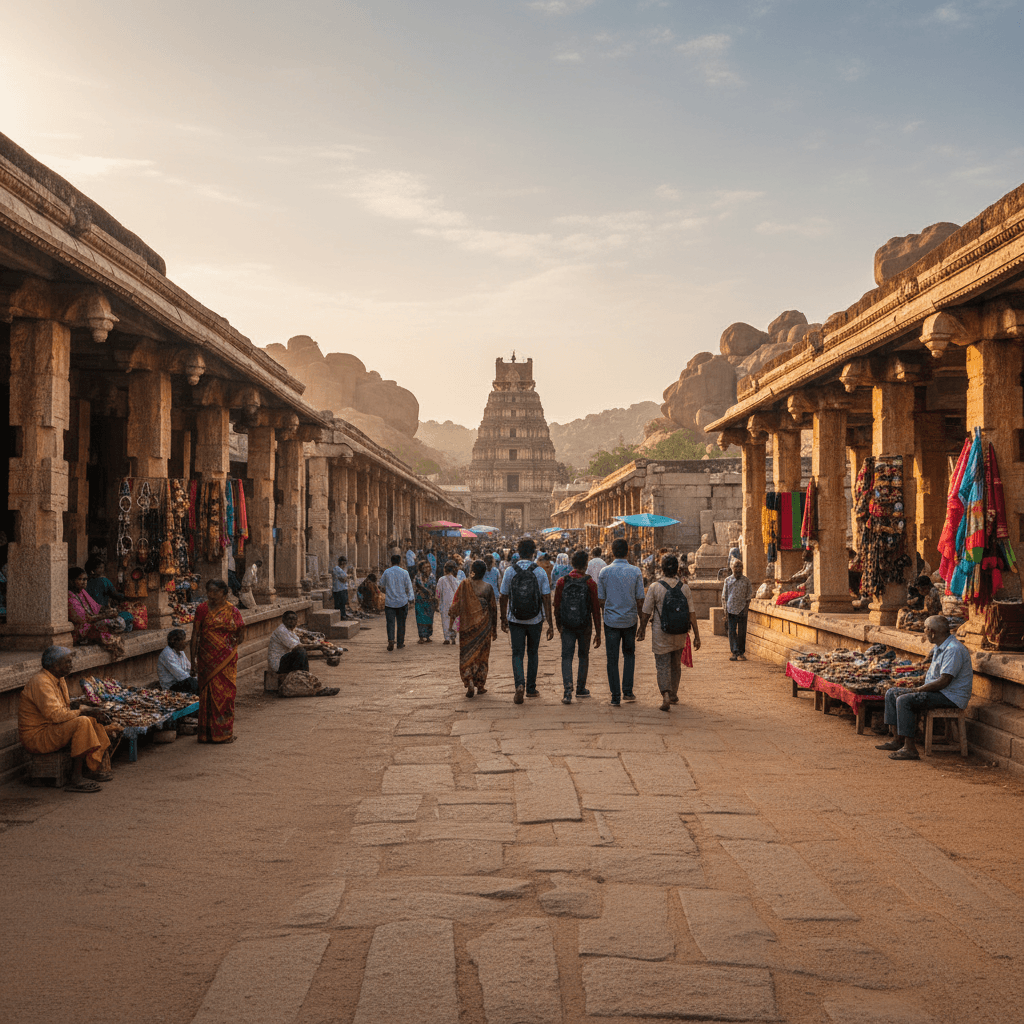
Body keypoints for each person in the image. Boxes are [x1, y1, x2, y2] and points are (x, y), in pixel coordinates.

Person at [877, 615, 973, 761]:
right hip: (940, 691)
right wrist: (918, 685)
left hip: (949, 696)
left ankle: (910, 749)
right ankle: (898, 740)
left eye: (925, 630)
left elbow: (944, 681)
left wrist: (919, 690)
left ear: (933, 632)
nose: (924, 632)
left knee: (905, 700)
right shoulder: (940, 647)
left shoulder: (953, 650)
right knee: (892, 692)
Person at [18, 646, 113, 793]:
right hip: (37, 736)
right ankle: (76, 777)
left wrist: (92, 709)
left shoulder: (59, 678)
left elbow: (65, 707)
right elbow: (56, 715)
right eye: (67, 662)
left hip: (52, 728)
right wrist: (84, 711)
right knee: (83, 721)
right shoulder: (41, 682)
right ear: (55, 665)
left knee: (93, 719)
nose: (71, 665)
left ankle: (92, 767)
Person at [638, 554, 701, 711]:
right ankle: (673, 694)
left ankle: (665, 693)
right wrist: (697, 636)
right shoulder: (684, 588)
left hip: (661, 633)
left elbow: (646, 611)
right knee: (675, 664)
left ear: (662, 569)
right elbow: (692, 613)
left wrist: (642, 628)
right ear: (677, 569)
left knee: (662, 664)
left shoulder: (655, 587)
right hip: (680, 633)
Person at [190, 579, 245, 744]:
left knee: (225, 696)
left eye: (216, 592)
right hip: (206, 659)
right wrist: (192, 660)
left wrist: (228, 646)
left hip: (226, 660)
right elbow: (195, 635)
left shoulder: (233, 611)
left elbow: (241, 633)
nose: (212, 595)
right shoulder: (202, 609)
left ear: (225, 593)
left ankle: (224, 733)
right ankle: (206, 734)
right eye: (209, 591)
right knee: (207, 696)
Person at [499, 537, 554, 704]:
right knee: (533, 652)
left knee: (517, 653)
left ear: (518, 551)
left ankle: (519, 685)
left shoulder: (510, 571)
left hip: (515, 618)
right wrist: (550, 622)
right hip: (535, 618)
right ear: (533, 553)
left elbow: (503, 597)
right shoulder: (539, 571)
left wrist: (503, 618)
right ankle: (531, 688)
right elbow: (546, 597)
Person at [597, 539, 646, 705]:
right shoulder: (635, 571)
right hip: (630, 619)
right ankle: (628, 691)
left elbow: (601, 600)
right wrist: (643, 624)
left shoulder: (604, 572)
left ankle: (615, 696)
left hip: (611, 620)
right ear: (628, 552)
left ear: (612, 552)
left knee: (612, 659)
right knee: (629, 655)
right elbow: (640, 600)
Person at [553, 549, 601, 704]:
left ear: (572, 564)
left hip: (567, 625)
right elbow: (595, 609)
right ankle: (580, 688)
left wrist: (559, 624)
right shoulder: (590, 582)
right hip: (584, 625)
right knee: (583, 655)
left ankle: (567, 690)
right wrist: (598, 632)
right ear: (586, 564)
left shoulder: (562, 581)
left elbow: (557, 606)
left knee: (566, 657)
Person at [450, 560, 498, 698]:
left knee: (467, 655)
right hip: (484, 627)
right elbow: (493, 609)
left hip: (467, 627)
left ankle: (469, 680)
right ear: (484, 572)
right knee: (482, 656)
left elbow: (456, 605)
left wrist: (451, 622)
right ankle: (480, 685)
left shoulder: (464, 584)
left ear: (472, 571)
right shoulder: (487, 587)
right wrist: (494, 628)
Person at [67, 567, 125, 658]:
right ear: (71, 581)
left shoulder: (81, 592)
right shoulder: (69, 597)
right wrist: (105, 616)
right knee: (109, 623)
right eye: (80, 579)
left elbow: (97, 607)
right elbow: (86, 619)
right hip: (81, 631)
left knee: (121, 620)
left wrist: (110, 611)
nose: (84, 582)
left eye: (85, 579)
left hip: (91, 624)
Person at [380, 553, 415, 651]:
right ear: (400, 562)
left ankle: (391, 640)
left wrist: (387, 592)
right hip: (402, 602)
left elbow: (381, 585)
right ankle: (400, 643)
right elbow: (409, 587)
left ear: (391, 562)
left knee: (390, 623)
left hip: (389, 603)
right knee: (401, 623)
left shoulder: (387, 572)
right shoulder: (404, 572)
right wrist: (411, 598)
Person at [722, 559, 754, 661]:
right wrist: (725, 610)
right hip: (731, 609)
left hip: (742, 609)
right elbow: (724, 596)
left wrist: (746, 607)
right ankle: (734, 652)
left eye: (740, 567)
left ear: (742, 569)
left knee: (742, 632)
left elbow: (749, 595)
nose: (738, 570)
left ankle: (741, 652)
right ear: (732, 569)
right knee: (731, 631)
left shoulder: (746, 581)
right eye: (736, 567)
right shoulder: (727, 580)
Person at [157, 629, 199, 693]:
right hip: (171, 687)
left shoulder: (181, 652)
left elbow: (189, 668)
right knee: (192, 683)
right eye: (183, 640)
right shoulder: (167, 654)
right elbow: (181, 675)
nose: (186, 642)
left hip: (181, 682)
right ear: (174, 641)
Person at [436, 562, 461, 644]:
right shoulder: (457, 580)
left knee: (445, 620)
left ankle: (447, 638)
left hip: (444, 604)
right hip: (454, 604)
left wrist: (437, 603)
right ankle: (453, 637)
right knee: (454, 621)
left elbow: (438, 593)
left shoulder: (441, 580)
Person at [414, 560, 438, 643]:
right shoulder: (417, 577)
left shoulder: (432, 576)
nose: (427, 569)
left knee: (429, 617)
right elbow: (415, 587)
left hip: (429, 600)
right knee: (420, 618)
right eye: (425, 567)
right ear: (421, 568)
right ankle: (421, 637)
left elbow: (434, 587)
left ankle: (428, 636)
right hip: (420, 600)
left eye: (428, 567)